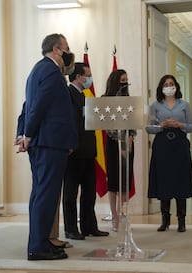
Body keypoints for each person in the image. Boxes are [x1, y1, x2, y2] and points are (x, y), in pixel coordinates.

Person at [21, 33, 77, 260]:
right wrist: (27, 134)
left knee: (41, 194)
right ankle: (38, 247)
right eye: (66, 48)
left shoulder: (37, 70)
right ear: (56, 49)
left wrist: (23, 133)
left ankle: (42, 241)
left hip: (44, 142)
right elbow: (37, 107)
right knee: (46, 196)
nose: (68, 52)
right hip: (50, 143)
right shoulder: (52, 72)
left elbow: (28, 106)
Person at [15, 103, 73, 250]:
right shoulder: (49, 82)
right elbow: (27, 113)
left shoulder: (38, 82)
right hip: (46, 144)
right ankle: (43, 239)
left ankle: (44, 238)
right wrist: (23, 135)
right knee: (45, 194)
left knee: (45, 194)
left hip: (46, 143)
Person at [63, 62, 109, 240]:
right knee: (71, 193)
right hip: (73, 151)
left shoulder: (85, 95)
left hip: (89, 151)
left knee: (89, 192)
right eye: (87, 75)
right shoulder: (68, 94)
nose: (89, 78)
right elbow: (68, 122)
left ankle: (89, 226)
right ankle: (71, 229)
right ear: (77, 77)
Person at [146, 74, 192, 233]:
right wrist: (161, 125)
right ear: (162, 87)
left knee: (180, 180)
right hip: (162, 145)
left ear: (176, 86)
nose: (169, 86)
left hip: (180, 144)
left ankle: (182, 220)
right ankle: (165, 220)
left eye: (171, 84)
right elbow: (148, 128)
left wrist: (180, 124)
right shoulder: (155, 105)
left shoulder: (184, 105)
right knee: (164, 180)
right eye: (166, 84)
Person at [103, 69, 136, 232]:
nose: (125, 83)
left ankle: (123, 214)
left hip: (128, 143)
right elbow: (107, 126)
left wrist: (129, 140)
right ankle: (114, 215)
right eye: (122, 80)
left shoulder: (129, 100)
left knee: (125, 180)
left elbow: (133, 122)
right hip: (113, 144)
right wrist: (120, 143)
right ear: (115, 81)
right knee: (114, 181)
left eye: (126, 80)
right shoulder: (105, 100)